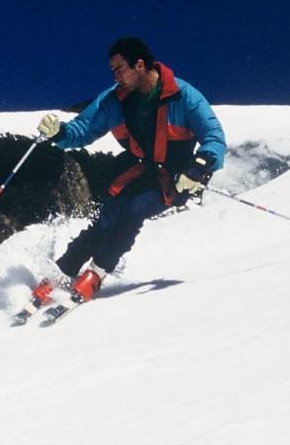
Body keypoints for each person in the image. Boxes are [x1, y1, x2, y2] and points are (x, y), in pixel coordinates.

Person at [33, 36, 226, 305]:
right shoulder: (114, 100)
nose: (116, 76)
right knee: (107, 219)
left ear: (139, 65)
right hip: (139, 170)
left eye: (119, 69)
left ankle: (96, 273)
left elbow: (214, 136)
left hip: (175, 178)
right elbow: (83, 129)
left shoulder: (184, 96)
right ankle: (61, 272)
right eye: (113, 71)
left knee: (134, 211)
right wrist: (60, 132)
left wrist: (200, 168)